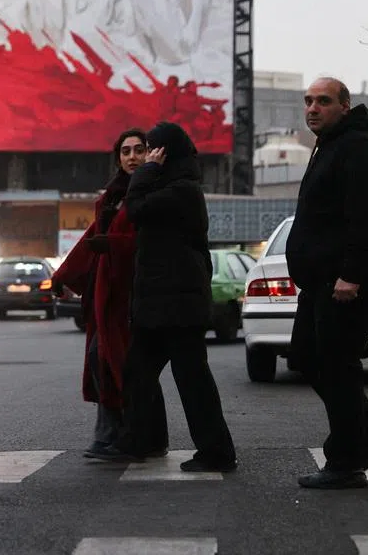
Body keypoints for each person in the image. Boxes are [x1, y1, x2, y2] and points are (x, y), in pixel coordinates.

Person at [90, 121, 237, 473]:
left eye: (153, 149)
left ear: (166, 154)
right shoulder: (173, 186)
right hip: (160, 305)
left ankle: (216, 451)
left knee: (192, 381)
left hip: (178, 305)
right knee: (138, 373)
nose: (146, 155)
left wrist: (147, 171)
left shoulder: (181, 190)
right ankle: (140, 440)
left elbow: (136, 208)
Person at [286, 78, 368, 490]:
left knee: (336, 365)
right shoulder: (331, 144)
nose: (313, 108)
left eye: (323, 101)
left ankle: (346, 460)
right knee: (306, 355)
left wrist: (352, 274)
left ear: (345, 106)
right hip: (322, 280)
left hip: (349, 281)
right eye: (308, 101)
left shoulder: (358, 147)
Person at [54, 129, 168, 459]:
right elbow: (92, 238)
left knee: (123, 365)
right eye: (125, 151)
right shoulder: (112, 197)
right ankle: (116, 436)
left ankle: (129, 436)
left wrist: (113, 246)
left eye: (139, 150)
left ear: (152, 153)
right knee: (108, 362)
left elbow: (149, 240)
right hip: (108, 293)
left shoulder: (154, 191)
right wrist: (63, 274)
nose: (132, 156)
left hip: (137, 293)